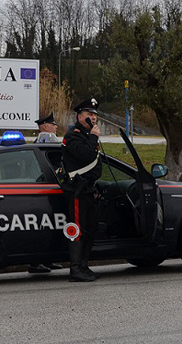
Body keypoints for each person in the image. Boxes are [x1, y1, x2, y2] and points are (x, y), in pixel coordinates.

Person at [61, 98, 102, 282]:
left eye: (94, 115)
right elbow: (85, 155)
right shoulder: (73, 135)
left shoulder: (87, 135)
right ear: (80, 116)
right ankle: (75, 269)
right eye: (89, 115)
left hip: (89, 190)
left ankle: (84, 266)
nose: (93, 118)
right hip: (77, 190)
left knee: (91, 228)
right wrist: (93, 137)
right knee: (77, 229)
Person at [28, 112, 64, 274]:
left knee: (50, 226)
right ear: (43, 127)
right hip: (43, 188)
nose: (56, 126)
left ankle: (46, 259)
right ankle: (37, 262)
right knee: (45, 225)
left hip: (42, 187)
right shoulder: (47, 139)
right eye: (52, 124)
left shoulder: (44, 139)